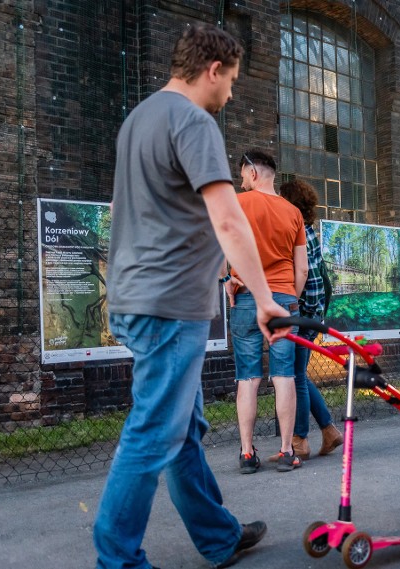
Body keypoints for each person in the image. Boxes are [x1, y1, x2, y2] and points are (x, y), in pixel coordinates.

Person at [95, 23, 291, 569]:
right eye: (230, 81)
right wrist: (265, 297)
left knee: (181, 428)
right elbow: (229, 221)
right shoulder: (193, 121)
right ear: (212, 70)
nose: (230, 94)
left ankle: (218, 536)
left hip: (136, 294)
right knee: (154, 430)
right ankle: (117, 561)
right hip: (169, 301)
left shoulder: (139, 118)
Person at [225, 149, 307, 474]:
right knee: (284, 374)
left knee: (248, 378)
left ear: (253, 173)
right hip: (284, 299)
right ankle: (287, 451)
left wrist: (227, 278)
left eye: (243, 174)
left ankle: (247, 453)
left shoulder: (236, 204)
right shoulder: (294, 213)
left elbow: (223, 244)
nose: (241, 180)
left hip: (245, 298)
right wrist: (289, 298)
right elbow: (301, 270)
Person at [279, 179, 343, 460]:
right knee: (299, 375)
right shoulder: (308, 229)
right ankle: (329, 431)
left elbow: (304, 275)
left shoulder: (299, 231)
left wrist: (292, 306)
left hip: (303, 312)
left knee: (295, 377)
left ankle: (300, 440)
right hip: (312, 311)